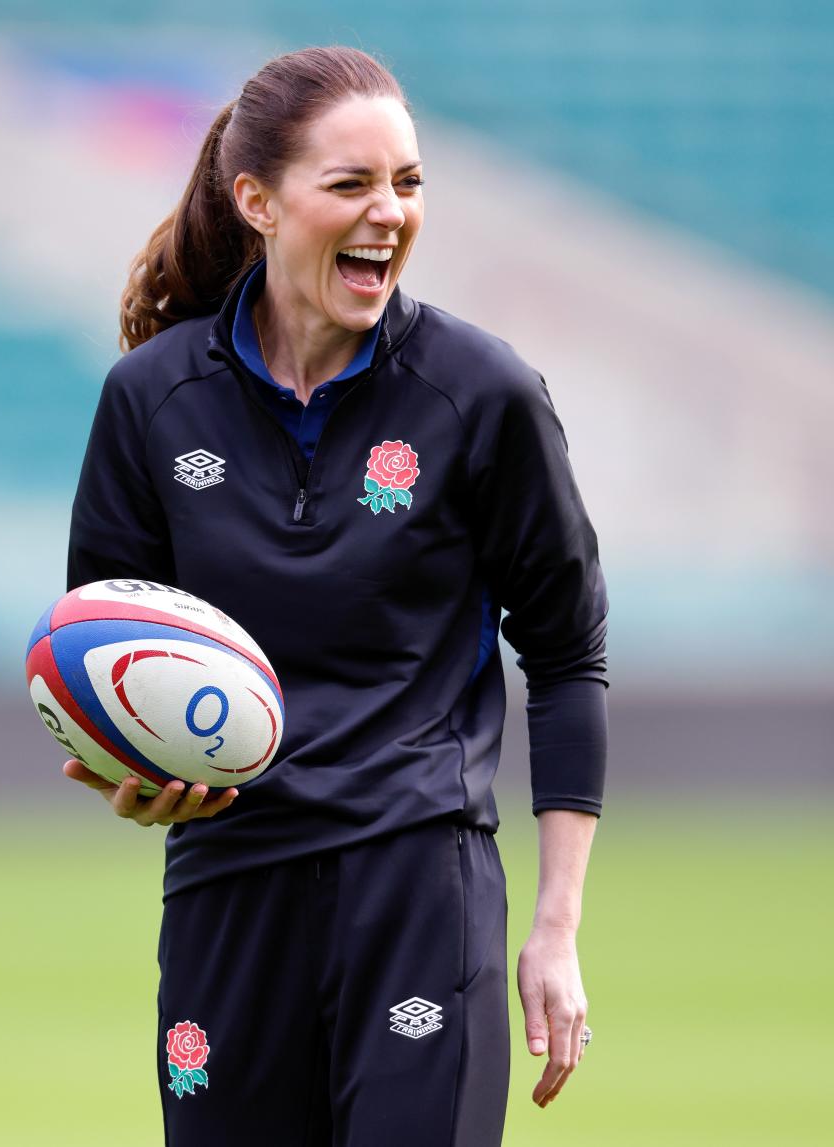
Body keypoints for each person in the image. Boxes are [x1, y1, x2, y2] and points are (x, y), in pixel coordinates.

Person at [62, 45, 608, 1147]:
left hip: (419, 886)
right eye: (351, 184)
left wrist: (555, 928)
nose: (389, 213)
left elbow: (567, 656)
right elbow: (102, 651)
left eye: (407, 183)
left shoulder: (482, 394)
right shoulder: (151, 400)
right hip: (225, 887)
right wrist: (134, 774)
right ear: (257, 201)